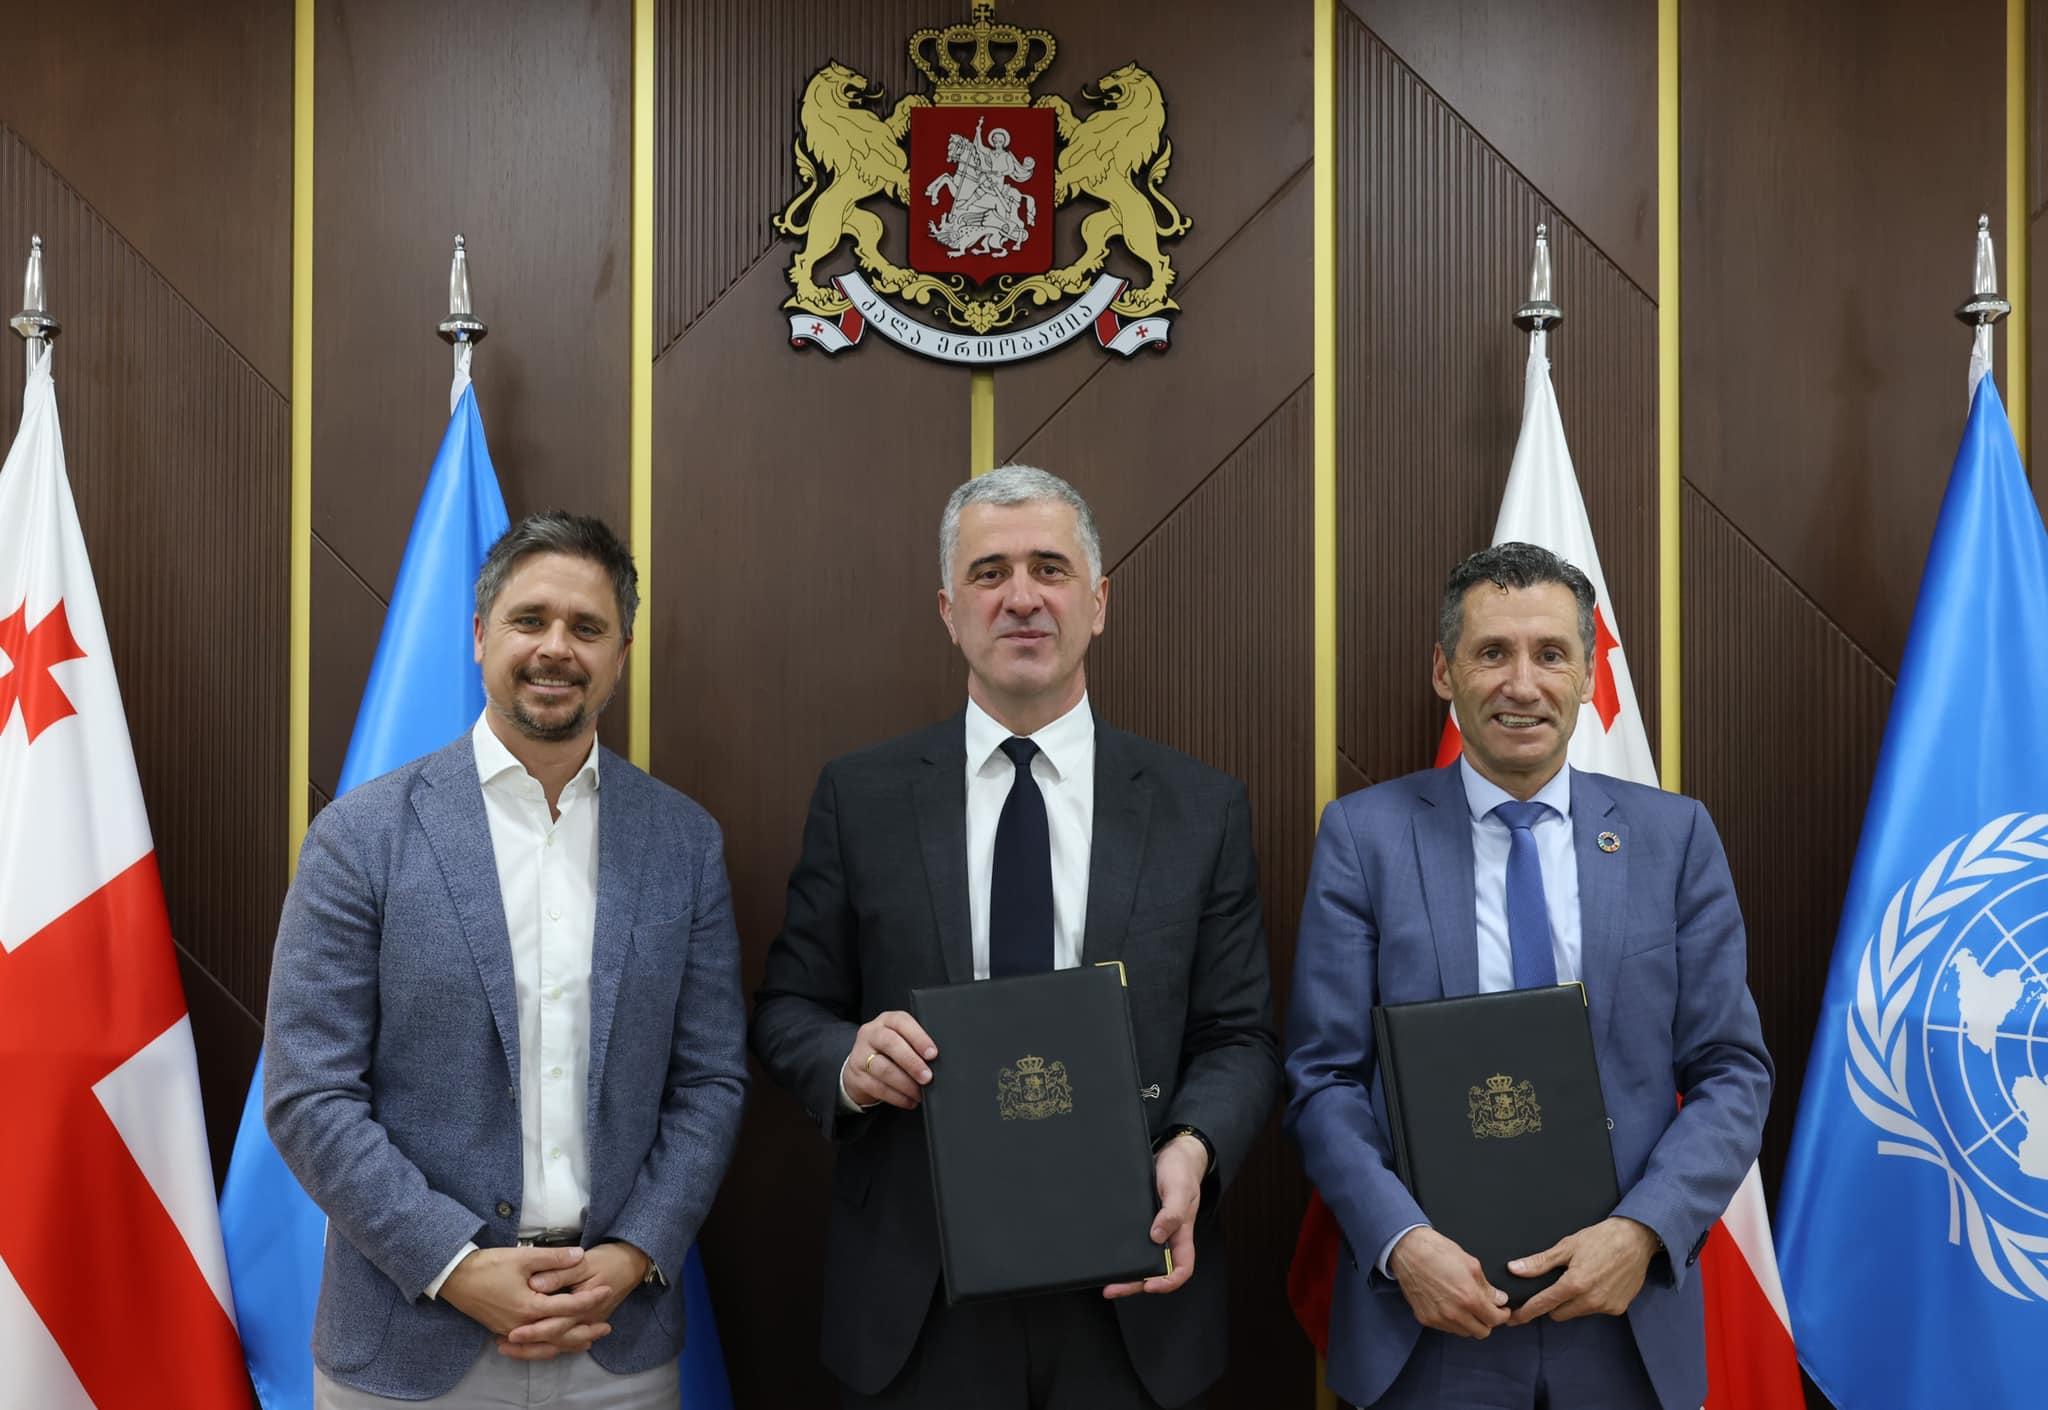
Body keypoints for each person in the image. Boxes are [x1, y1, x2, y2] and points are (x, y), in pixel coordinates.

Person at [750, 465, 1282, 1410]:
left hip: (1133, 1281)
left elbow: (1239, 1037)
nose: (1023, 597)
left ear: (1098, 602)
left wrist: (1193, 1149)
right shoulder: (861, 798)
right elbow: (790, 1008)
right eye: (990, 573)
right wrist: (848, 1063)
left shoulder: (1200, 808)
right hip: (920, 1296)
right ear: (949, 611)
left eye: (1050, 568)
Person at [264, 512, 747, 1408]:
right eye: (530, 620)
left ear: (621, 655)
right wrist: (451, 1265)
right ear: (481, 634)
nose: (556, 647)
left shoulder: (684, 844)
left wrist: (635, 1250)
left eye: (587, 627)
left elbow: (711, 1079)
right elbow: (308, 1093)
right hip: (409, 1341)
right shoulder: (360, 837)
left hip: (617, 1341)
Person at [1284, 542, 1772, 1410]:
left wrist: (1644, 1230)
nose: (1522, 683)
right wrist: (1401, 1242)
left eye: (1550, 654)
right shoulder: (1364, 839)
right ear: (1444, 671)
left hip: (1624, 1318)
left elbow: (1733, 1072)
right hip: (1430, 1321)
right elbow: (1323, 1077)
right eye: (1491, 652)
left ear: (1588, 675)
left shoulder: (1674, 839)